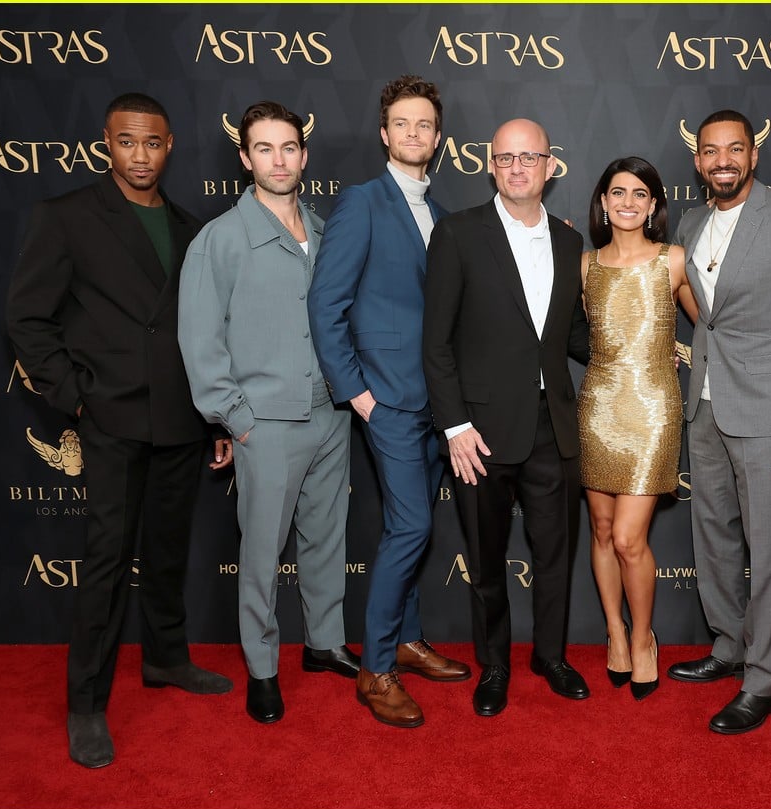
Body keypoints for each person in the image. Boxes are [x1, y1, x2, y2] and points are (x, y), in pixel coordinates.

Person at [6, 92, 233, 769]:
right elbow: (27, 318)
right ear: (107, 142)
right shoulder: (67, 216)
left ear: (169, 146)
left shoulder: (190, 227)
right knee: (106, 562)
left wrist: (215, 413)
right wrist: (76, 398)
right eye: (128, 141)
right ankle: (85, 702)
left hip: (181, 419)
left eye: (153, 142)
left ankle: (165, 658)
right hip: (110, 418)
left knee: (166, 551)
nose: (140, 155)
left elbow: (203, 330)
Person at [177, 101, 358, 726]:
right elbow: (200, 340)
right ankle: (261, 667)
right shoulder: (219, 239)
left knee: (327, 538)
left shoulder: (327, 231)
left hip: (331, 413)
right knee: (261, 553)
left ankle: (324, 643)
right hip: (266, 423)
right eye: (264, 148)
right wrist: (236, 417)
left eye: (288, 147)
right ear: (245, 158)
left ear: (304, 155)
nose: (278, 160)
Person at [668, 110, 771, 735]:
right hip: (706, 404)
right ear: (698, 161)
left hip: (770, 411)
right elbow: (706, 315)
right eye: (711, 151)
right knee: (713, 535)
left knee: (768, 551)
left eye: (734, 149)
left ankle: (764, 680)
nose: (723, 161)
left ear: (754, 156)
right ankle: (728, 646)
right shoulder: (691, 222)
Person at [308, 75, 470, 729]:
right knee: (412, 529)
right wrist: (358, 394)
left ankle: (405, 638)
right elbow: (326, 303)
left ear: (438, 137)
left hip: (437, 403)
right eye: (401, 123)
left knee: (410, 525)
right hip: (389, 402)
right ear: (384, 133)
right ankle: (376, 670)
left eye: (424, 124)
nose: (413, 133)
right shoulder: (362, 203)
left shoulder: (443, 214)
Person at [422, 118, 591, 717]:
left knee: (555, 554)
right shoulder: (458, 233)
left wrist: (636, 350)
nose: (517, 168)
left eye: (529, 157)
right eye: (505, 158)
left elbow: (572, 335)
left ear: (550, 166)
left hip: (554, 424)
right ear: (491, 166)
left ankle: (551, 656)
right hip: (480, 430)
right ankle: (494, 664)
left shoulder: (570, 242)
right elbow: (436, 342)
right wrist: (454, 426)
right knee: (486, 557)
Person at [578, 157, 698, 701]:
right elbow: (570, 335)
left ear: (653, 205)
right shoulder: (585, 265)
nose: (628, 202)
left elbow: (711, 326)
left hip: (652, 410)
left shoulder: (673, 260)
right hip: (598, 407)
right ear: (603, 202)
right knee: (602, 531)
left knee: (629, 538)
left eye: (639, 194)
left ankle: (644, 636)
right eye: (618, 192)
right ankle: (615, 631)